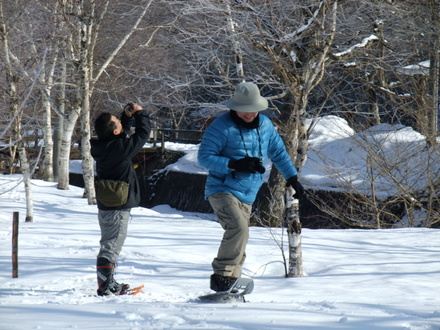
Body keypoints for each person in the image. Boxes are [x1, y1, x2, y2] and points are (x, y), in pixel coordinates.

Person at [197, 81, 304, 292]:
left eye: (253, 109)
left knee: (241, 237)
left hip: (249, 192)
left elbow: (279, 153)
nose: (249, 114)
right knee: (238, 228)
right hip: (222, 188)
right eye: (244, 110)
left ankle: (231, 281)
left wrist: (292, 178)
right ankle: (222, 275)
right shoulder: (221, 126)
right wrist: (233, 164)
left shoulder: (265, 125)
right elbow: (204, 157)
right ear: (234, 107)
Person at [90, 102, 151, 296]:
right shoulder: (118, 148)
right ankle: (106, 286)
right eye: (117, 121)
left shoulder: (105, 145)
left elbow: (120, 135)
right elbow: (142, 136)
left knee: (110, 242)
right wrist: (141, 114)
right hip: (117, 204)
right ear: (115, 131)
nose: (120, 121)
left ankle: (108, 283)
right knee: (112, 244)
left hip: (108, 202)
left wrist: (125, 117)